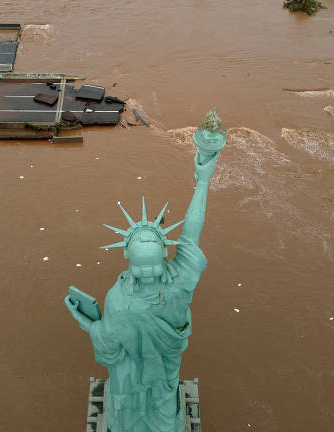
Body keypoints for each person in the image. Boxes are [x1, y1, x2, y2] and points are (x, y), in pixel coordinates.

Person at [65, 151, 218, 432]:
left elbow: (107, 345)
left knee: (125, 407)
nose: (147, 273)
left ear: (125, 254)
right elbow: (191, 236)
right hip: (162, 378)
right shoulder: (178, 282)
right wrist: (203, 182)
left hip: (128, 382)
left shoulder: (118, 299)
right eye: (143, 267)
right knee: (163, 405)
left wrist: (85, 321)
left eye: (149, 267)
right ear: (164, 252)